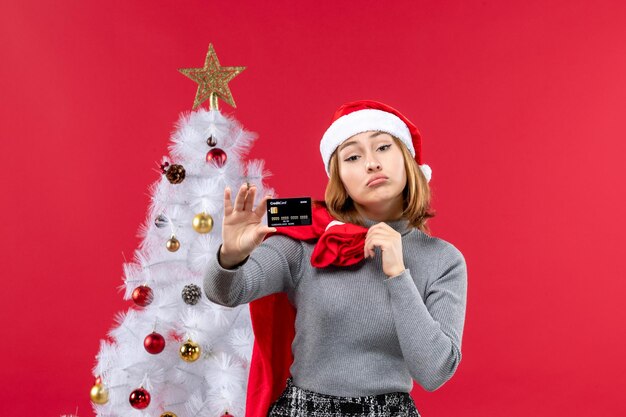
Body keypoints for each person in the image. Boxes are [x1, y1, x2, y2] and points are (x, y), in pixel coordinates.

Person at [203, 100, 468, 417]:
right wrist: (231, 256)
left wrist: (398, 274)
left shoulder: (443, 260)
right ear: (339, 178)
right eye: (353, 156)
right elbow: (227, 292)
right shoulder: (306, 240)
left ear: (408, 159)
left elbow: (435, 371)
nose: (371, 163)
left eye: (383, 147)